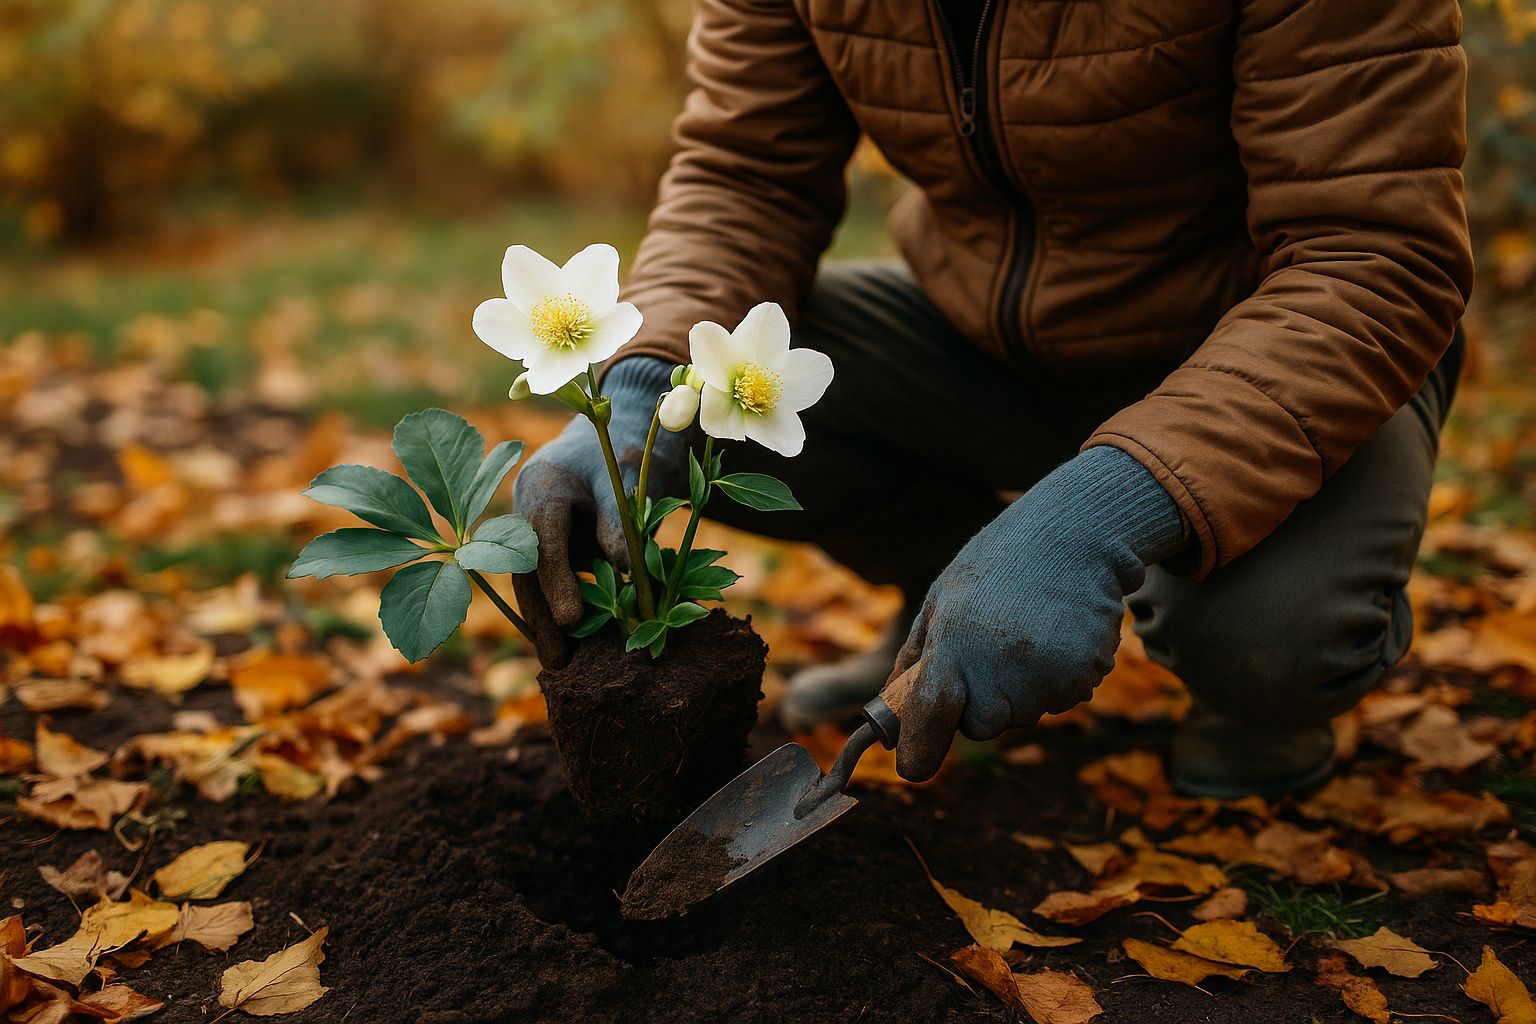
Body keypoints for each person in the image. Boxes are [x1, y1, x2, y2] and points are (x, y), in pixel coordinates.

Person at [510, 0, 1474, 799]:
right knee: (722, 399)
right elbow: (743, 175)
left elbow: (1374, 258)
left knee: (1268, 641)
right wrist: (639, 387)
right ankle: (945, 588)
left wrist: (1090, 521)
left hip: (1282, 346)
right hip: (980, 340)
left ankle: (1255, 700)